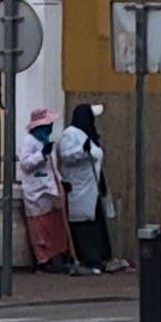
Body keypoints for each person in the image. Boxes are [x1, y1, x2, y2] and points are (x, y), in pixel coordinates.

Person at [61, 101, 114, 273]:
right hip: (81, 189)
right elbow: (67, 155)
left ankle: (101, 257)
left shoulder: (88, 135)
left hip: (93, 188)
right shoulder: (71, 134)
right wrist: (82, 152)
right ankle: (89, 259)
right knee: (85, 225)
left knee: (97, 222)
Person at [20, 107, 75, 270]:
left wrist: (60, 180)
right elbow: (25, 164)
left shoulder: (48, 142)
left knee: (56, 224)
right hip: (36, 191)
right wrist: (41, 155)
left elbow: (53, 166)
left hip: (51, 189)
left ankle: (58, 255)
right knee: (40, 227)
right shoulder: (29, 141)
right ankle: (43, 260)